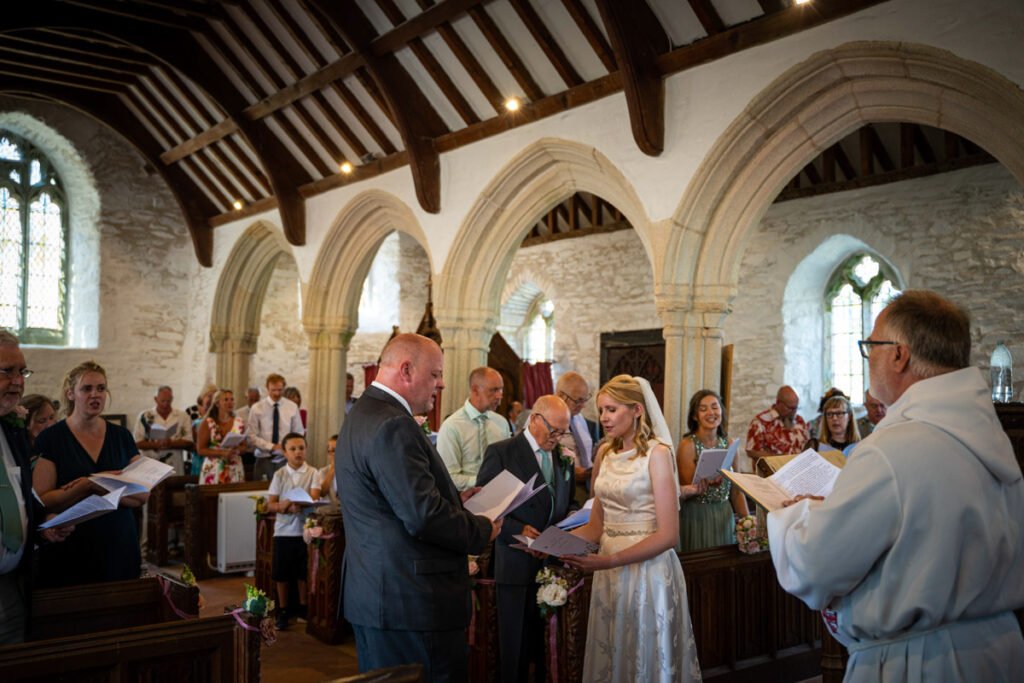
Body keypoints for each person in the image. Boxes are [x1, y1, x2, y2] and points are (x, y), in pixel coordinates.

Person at [768, 290, 1024, 682]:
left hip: (918, 663)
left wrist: (792, 513)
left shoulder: (892, 447)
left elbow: (815, 567)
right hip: (996, 649)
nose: (869, 359)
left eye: (870, 346)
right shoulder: (990, 435)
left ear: (899, 355)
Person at [337, 333, 499, 680]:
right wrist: (482, 528)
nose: (440, 385)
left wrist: (455, 502)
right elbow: (423, 517)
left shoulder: (364, 412)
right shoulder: (393, 423)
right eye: (436, 374)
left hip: (380, 592)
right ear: (406, 370)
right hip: (412, 601)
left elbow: (394, 500)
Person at [564, 375, 701, 682]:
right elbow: (596, 526)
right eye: (601, 410)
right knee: (613, 656)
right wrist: (553, 545)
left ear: (637, 409)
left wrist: (609, 560)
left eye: (611, 409)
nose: (604, 418)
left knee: (645, 656)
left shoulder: (658, 454)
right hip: (609, 571)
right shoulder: (604, 454)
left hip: (647, 571)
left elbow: (669, 535)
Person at [476, 395, 575, 683]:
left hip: (551, 563)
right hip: (515, 560)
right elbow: (483, 508)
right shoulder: (502, 452)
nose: (557, 438)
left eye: (562, 432)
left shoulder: (562, 456)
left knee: (546, 645)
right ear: (534, 419)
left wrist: (566, 525)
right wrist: (515, 530)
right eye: (553, 430)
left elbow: (566, 501)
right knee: (515, 647)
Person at [33, 360, 148, 587]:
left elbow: (141, 496)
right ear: (71, 393)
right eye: (87, 389)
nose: (95, 395)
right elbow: (43, 499)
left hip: (119, 542)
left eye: (101, 388)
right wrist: (88, 485)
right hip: (71, 545)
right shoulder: (52, 438)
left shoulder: (121, 436)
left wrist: (95, 484)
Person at [0, 332, 72, 644]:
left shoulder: (11, 432)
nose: (18, 381)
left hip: (12, 583)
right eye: (6, 371)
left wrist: (42, 526)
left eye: (22, 371)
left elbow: (18, 495)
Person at [676, 389, 749, 552]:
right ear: (695, 416)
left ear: (721, 410)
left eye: (715, 407)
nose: (711, 412)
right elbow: (687, 488)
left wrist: (747, 522)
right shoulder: (687, 446)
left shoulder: (730, 444)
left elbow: (737, 491)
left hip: (724, 514)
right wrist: (707, 482)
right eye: (703, 409)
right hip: (697, 515)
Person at [267, 432, 321, 631]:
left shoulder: (313, 472)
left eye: (301, 448)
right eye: (293, 449)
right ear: (285, 452)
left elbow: (313, 496)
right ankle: (283, 610)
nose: (298, 452)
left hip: (305, 531)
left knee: (302, 573)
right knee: (282, 573)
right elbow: (270, 504)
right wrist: (286, 506)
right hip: (283, 531)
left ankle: (303, 608)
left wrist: (297, 502)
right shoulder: (279, 474)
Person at [436, 366, 511, 491]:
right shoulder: (452, 426)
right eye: (494, 390)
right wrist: (485, 481)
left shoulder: (501, 422)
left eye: (501, 390)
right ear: (475, 390)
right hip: (465, 500)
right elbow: (448, 477)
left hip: (500, 495)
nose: (500, 396)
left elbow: (508, 464)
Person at [555, 371, 601, 504]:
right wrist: (573, 471)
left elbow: (584, 452)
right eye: (578, 401)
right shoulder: (544, 418)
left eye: (585, 399)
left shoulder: (579, 419)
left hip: (587, 485)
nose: (583, 405)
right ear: (561, 396)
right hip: (563, 487)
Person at [247, 373, 303, 482]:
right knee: (261, 494)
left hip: (285, 458)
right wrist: (271, 446)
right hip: (263, 457)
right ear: (267, 388)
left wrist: (286, 447)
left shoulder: (292, 407)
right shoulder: (257, 408)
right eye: (273, 390)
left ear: (284, 388)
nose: (277, 393)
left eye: (280, 390)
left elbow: (298, 433)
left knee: (286, 491)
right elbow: (251, 435)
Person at [133, 385, 193, 475]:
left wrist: (171, 443)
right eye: (163, 401)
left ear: (172, 399)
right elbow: (137, 443)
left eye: (168, 401)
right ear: (155, 399)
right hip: (150, 467)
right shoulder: (145, 416)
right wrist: (157, 444)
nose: (165, 404)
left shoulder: (182, 416)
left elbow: (189, 440)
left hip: (175, 466)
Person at [745, 385, 809, 461]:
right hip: (772, 470)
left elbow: (807, 447)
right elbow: (751, 451)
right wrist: (778, 458)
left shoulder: (799, 420)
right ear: (778, 403)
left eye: (796, 408)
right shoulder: (760, 421)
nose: (794, 412)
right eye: (790, 408)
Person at [197, 389, 246, 485]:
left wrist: (237, 450)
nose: (230, 402)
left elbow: (244, 446)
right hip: (214, 467)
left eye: (232, 399)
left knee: (234, 497)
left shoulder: (239, 422)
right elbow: (200, 449)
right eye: (226, 400)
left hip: (234, 466)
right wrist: (221, 453)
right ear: (217, 403)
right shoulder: (208, 423)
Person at [20, 393, 58, 462]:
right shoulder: (20, 454)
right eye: (42, 421)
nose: (50, 425)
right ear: (27, 425)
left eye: (52, 417)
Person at [318, 434, 339, 505]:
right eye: (329, 451)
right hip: (329, 511)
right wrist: (333, 469)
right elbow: (322, 493)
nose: (331, 454)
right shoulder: (323, 471)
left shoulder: (353, 470)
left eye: (334, 450)